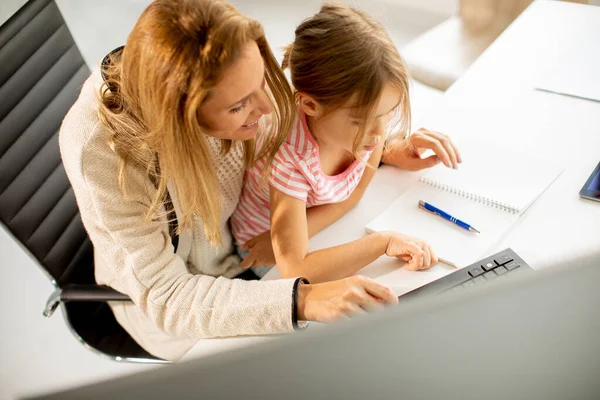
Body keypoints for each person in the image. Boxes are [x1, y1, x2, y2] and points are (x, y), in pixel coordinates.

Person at [59, 0, 402, 362]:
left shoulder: (230, 72)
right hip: (187, 303)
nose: (269, 108)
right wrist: (302, 299)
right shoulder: (102, 154)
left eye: (261, 83)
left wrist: (385, 147)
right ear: (180, 114)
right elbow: (167, 296)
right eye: (239, 106)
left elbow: (304, 131)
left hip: (244, 255)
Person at [231, 3, 462, 283]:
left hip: (313, 232)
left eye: (387, 113)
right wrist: (382, 243)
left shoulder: (364, 123)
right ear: (310, 105)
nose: (378, 132)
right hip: (264, 260)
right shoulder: (291, 159)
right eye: (361, 121)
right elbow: (295, 269)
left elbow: (352, 196)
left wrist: (392, 151)